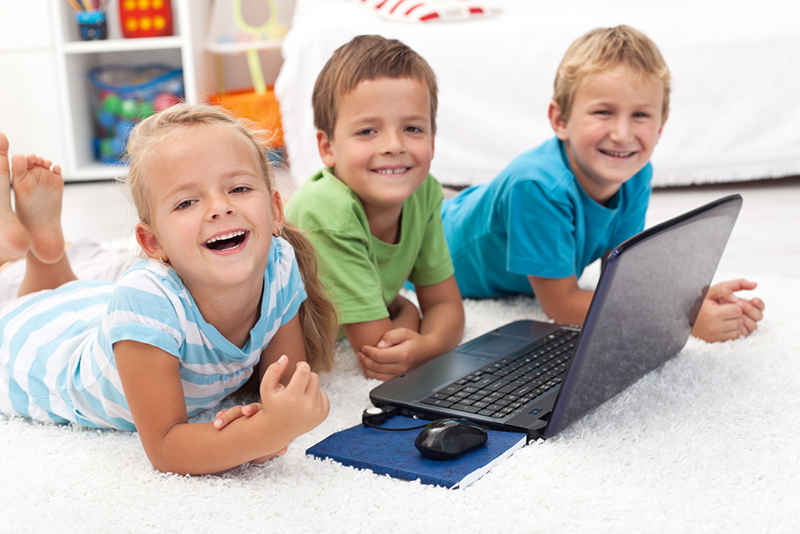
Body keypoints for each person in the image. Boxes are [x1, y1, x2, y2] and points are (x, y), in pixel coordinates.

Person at [0, 104, 337, 475]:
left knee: (58, 298)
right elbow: (167, 447)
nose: (220, 207)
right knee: (28, 308)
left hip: (92, 310)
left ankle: (46, 256)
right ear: (153, 242)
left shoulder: (280, 262)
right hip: (29, 354)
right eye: (187, 201)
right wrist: (263, 432)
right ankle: (17, 247)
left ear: (276, 210)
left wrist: (279, 410)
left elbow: (286, 384)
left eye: (239, 188)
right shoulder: (145, 301)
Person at [440, 25, 765, 342]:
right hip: (435, 243)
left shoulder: (635, 173)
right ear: (560, 120)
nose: (622, 135)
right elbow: (561, 304)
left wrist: (690, 299)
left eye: (640, 115)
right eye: (603, 112)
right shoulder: (537, 188)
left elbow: (622, 277)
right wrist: (678, 318)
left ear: (662, 124)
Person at [285, 35, 465, 381]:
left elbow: (447, 306)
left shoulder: (424, 191)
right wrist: (408, 311)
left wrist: (427, 345)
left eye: (412, 128)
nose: (394, 145)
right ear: (327, 147)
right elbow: (378, 351)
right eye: (368, 131)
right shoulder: (327, 209)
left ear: (432, 139)